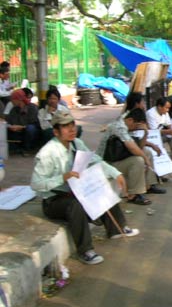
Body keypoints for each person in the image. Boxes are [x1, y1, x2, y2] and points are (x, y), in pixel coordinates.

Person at [31, 111, 139, 265]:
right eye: (65, 126)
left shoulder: (76, 143)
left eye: (72, 125)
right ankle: (85, 250)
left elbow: (95, 160)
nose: (71, 129)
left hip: (74, 191)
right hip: (54, 201)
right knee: (76, 206)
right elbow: (36, 184)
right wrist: (63, 177)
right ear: (56, 131)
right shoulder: (47, 153)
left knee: (100, 184)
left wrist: (116, 174)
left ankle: (116, 228)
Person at [96, 108, 162, 205]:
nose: (135, 129)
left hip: (118, 156)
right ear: (130, 120)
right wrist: (145, 159)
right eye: (135, 126)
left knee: (146, 152)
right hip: (107, 161)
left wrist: (145, 133)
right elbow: (132, 147)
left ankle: (149, 185)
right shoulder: (119, 126)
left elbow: (140, 146)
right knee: (138, 160)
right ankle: (133, 194)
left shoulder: (128, 122)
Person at [146, 97, 172, 163]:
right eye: (166, 108)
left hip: (160, 133)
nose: (168, 110)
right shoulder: (151, 113)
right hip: (151, 137)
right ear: (160, 107)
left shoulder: (165, 113)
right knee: (170, 134)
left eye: (168, 108)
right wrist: (169, 131)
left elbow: (169, 124)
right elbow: (154, 131)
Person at [6, 89, 40, 154]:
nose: (11, 101)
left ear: (18, 99)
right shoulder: (14, 109)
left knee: (31, 128)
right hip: (17, 131)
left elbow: (34, 122)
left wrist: (21, 127)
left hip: (30, 131)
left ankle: (27, 148)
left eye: (13, 99)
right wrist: (10, 126)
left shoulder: (32, 107)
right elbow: (9, 121)